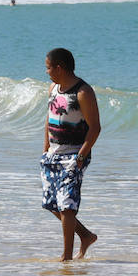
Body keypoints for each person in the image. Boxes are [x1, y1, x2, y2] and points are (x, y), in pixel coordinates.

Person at [41, 47, 100, 261]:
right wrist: (45, 148)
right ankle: (85, 235)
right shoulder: (53, 88)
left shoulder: (83, 92)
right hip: (52, 155)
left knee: (67, 206)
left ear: (59, 67)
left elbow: (95, 128)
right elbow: (49, 118)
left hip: (74, 155)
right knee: (52, 204)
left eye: (48, 68)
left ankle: (66, 257)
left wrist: (81, 157)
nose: (46, 72)